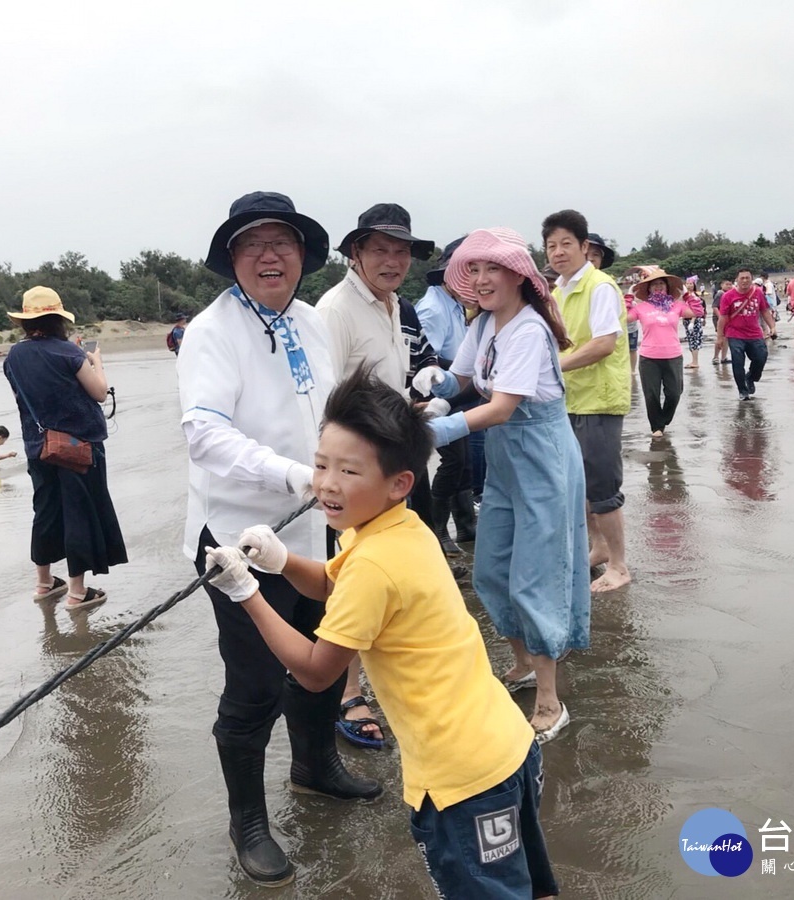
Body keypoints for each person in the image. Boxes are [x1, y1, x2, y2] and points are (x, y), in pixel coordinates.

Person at [204, 369, 560, 899]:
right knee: (526, 883)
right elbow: (334, 585)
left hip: (462, 780)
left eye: (349, 470)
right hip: (506, 746)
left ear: (399, 483)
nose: (326, 483)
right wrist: (280, 562)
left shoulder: (373, 564)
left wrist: (245, 594)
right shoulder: (399, 529)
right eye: (321, 464)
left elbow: (316, 671)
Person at [177, 192, 381, 887]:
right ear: (231, 259)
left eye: (282, 242)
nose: (269, 255)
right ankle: (249, 823)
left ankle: (315, 765)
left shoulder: (308, 320)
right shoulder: (213, 330)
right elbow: (203, 432)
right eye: (252, 244)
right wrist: (298, 476)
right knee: (256, 684)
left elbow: (333, 407)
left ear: (302, 254)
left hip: (319, 528)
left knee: (325, 654)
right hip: (240, 543)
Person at [415, 227, 589, 743]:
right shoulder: (486, 323)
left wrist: (432, 429)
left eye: (493, 268)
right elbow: (465, 380)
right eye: (476, 269)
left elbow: (501, 406)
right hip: (505, 461)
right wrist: (438, 387)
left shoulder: (529, 329)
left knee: (536, 575)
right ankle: (524, 663)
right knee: (491, 568)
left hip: (542, 458)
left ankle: (551, 701)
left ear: (518, 276)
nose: (483, 278)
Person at [317, 202, 435, 750]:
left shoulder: (392, 305)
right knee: (348, 579)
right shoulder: (336, 309)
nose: (393, 260)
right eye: (380, 249)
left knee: (386, 572)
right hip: (356, 477)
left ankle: (388, 673)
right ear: (355, 253)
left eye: (402, 250)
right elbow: (327, 405)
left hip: (390, 472)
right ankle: (347, 691)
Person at [3, 286, 127, 610]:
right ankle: (76, 592)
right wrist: (96, 361)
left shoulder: (14, 356)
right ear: (59, 318)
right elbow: (99, 392)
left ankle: (44, 584)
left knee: (45, 513)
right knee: (79, 515)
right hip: (78, 447)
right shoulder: (69, 353)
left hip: (38, 446)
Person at [543, 210, 632, 593]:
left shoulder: (599, 286)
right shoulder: (559, 291)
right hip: (571, 400)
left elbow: (603, 344)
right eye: (551, 245)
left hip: (599, 400)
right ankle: (596, 548)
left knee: (601, 487)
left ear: (584, 247)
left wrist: (553, 367)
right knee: (577, 484)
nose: (559, 252)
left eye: (567, 244)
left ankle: (619, 564)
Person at [414, 236, 476, 557]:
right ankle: (439, 531)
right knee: (453, 461)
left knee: (463, 463)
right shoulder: (433, 309)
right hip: (439, 396)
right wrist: (468, 372)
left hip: (456, 394)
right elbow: (429, 360)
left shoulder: (454, 305)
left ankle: (465, 524)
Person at [627, 266, 697, 437]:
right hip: (649, 357)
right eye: (654, 284)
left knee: (674, 393)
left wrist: (687, 294)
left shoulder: (677, 306)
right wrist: (628, 296)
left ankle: (663, 419)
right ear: (649, 288)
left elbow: (697, 311)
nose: (658, 287)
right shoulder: (641, 308)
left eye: (661, 284)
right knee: (651, 395)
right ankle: (656, 427)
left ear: (667, 287)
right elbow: (624, 316)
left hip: (673, 355)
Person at [715, 269, 776, 401]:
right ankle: (742, 391)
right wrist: (720, 337)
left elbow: (764, 311)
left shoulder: (758, 292)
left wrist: (772, 326)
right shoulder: (728, 296)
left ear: (751, 279)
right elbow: (723, 318)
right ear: (736, 280)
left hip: (754, 333)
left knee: (761, 357)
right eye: (741, 278)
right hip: (735, 333)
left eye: (747, 278)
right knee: (738, 362)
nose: (744, 281)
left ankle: (751, 377)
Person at [681, 275, 706, 368]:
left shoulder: (694, 296)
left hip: (693, 320)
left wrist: (692, 321)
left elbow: (696, 310)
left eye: (691, 284)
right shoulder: (686, 296)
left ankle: (695, 362)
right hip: (686, 320)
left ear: (694, 285)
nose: (689, 285)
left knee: (694, 340)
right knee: (691, 340)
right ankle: (693, 361)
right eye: (687, 283)